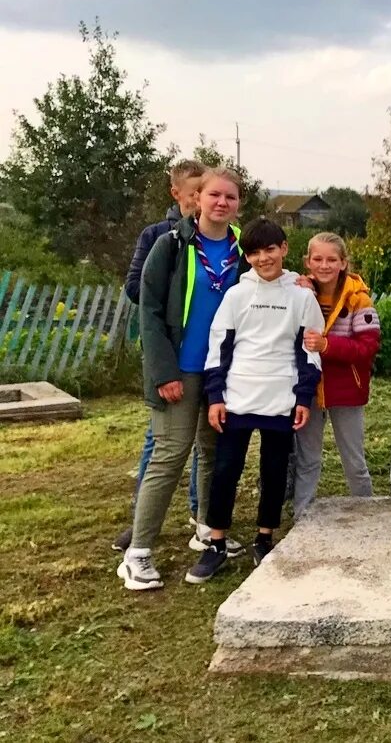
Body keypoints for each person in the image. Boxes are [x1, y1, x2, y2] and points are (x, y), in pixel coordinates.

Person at [117, 167, 249, 591]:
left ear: (237, 203)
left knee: (212, 453)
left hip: (220, 373)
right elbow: (149, 312)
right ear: (197, 198)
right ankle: (138, 554)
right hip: (179, 369)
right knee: (170, 455)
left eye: (230, 196)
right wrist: (163, 372)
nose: (221, 203)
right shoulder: (170, 245)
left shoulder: (243, 250)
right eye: (214, 195)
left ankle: (209, 533)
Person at [185, 218, 323, 583]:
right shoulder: (236, 295)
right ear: (247, 257)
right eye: (255, 252)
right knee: (226, 471)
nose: (264, 258)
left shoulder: (301, 296)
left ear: (284, 249)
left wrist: (304, 397)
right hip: (237, 398)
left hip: (282, 398)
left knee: (275, 472)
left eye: (270, 249)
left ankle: (265, 538)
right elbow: (219, 346)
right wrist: (216, 396)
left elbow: (311, 352)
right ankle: (216, 543)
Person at [112, 160, 206, 553]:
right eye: (195, 193)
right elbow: (137, 289)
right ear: (178, 194)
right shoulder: (157, 237)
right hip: (168, 354)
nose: (202, 200)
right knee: (161, 443)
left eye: (209, 192)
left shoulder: (221, 239)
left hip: (206, 361)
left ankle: (200, 513)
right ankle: (141, 524)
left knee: (206, 443)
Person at [286, 232, 380, 519]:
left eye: (331, 259)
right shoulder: (299, 292)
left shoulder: (358, 299)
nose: (324, 265)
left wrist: (328, 345)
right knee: (308, 458)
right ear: (307, 261)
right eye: (317, 259)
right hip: (309, 389)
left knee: (354, 460)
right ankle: (302, 515)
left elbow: (368, 347)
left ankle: (367, 512)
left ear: (343, 263)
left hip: (346, 390)